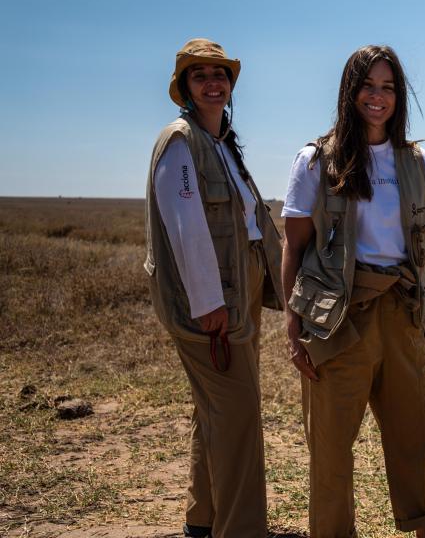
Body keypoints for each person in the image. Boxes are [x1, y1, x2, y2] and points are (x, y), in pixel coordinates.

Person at [281, 45, 425, 538]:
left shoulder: (417, 161)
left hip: (401, 310)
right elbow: (293, 245)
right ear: (350, 92)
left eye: (388, 87)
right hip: (336, 316)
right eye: (368, 86)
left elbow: (421, 248)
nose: (378, 97)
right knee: (331, 445)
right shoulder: (316, 159)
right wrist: (293, 331)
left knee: (415, 434)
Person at [144, 38, 284, 538]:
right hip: (213, 299)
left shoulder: (222, 142)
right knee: (238, 413)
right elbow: (186, 228)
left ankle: (202, 520)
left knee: (218, 410)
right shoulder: (180, 141)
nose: (212, 82)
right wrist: (209, 304)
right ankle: (240, 530)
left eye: (219, 73)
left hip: (238, 288)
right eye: (199, 74)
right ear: (184, 87)